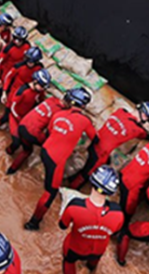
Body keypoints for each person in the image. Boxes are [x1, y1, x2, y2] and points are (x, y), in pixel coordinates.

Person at [25, 87, 96, 230]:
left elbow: (51, 130)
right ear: (83, 105)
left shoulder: (59, 114)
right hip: (56, 159)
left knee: (48, 179)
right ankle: (33, 223)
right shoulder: (84, 121)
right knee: (51, 192)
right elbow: (94, 137)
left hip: (45, 150)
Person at [68, 101, 149, 190]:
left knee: (82, 163)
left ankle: (70, 178)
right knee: (86, 173)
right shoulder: (136, 130)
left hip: (94, 141)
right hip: (101, 153)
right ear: (144, 116)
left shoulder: (120, 111)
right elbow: (145, 135)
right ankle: (71, 189)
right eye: (147, 120)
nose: (145, 123)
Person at [59, 165, 124, 274]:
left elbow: (62, 225)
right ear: (111, 192)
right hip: (98, 251)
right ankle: (90, 269)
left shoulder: (75, 206)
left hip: (74, 248)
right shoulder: (118, 213)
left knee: (69, 262)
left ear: (92, 182)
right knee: (92, 266)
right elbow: (114, 232)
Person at [6, 95, 65, 175]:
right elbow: (51, 128)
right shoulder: (60, 111)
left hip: (22, 124)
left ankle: (8, 152)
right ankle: (12, 170)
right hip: (32, 133)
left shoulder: (52, 99)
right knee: (28, 150)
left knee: (21, 141)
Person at [1, 68, 51, 155]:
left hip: (25, 117)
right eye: (42, 86)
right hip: (15, 116)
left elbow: (40, 101)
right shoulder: (22, 91)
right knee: (16, 141)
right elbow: (13, 107)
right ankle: (8, 152)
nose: (42, 89)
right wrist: (19, 119)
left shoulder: (39, 92)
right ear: (35, 81)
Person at [0, 46, 44, 117]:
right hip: (15, 89)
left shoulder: (39, 68)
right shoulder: (19, 66)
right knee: (7, 109)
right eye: (29, 60)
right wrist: (4, 91)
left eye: (32, 61)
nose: (30, 63)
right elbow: (8, 77)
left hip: (28, 91)